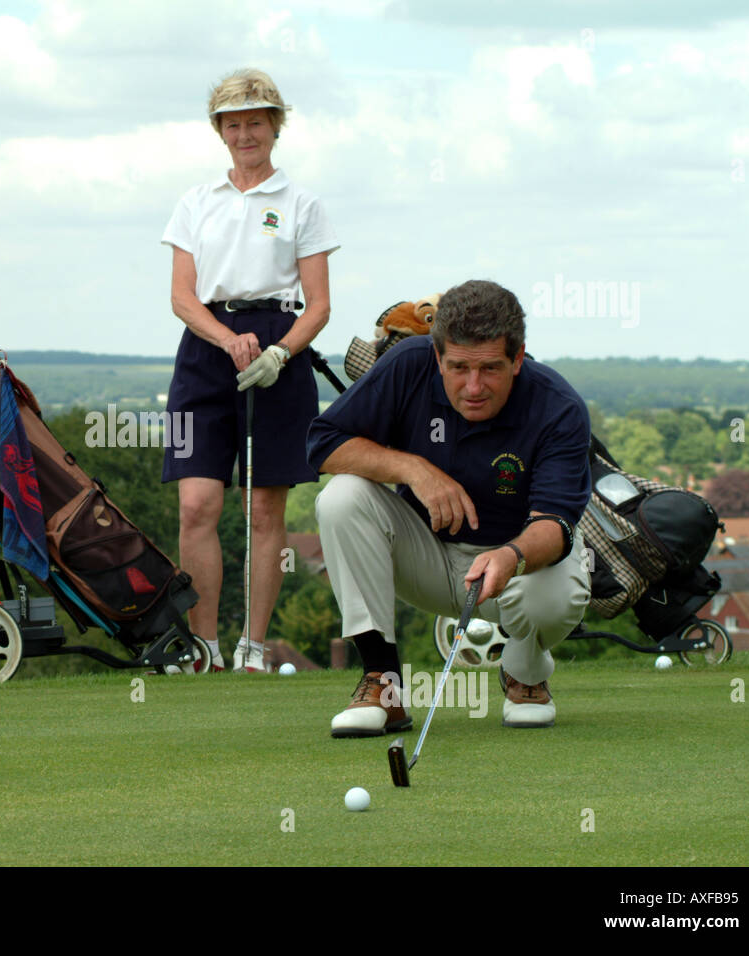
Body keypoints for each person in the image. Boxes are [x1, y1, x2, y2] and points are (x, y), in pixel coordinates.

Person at [308, 279, 591, 732]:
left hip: (516, 568)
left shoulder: (558, 407)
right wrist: (414, 469)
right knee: (341, 497)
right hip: (427, 557)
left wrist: (510, 555)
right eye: (458, 367)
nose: (473, 386)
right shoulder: (407, 364)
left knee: (555, 596)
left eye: (491, 369)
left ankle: (526, 674)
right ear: (436, 356)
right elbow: (323, 446)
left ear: (518, 359)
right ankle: (384, 684)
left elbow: (556, 524)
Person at [161, 69, 339, 672]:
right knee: (196, 505)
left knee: (264, 510)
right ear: (220, 131)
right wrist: (225, 338)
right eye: (233, 124)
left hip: (278, 349)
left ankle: (253, 648)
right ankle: (204, 646)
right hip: (205, 346)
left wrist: (279, 353)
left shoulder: (301, 204)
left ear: (274, 127)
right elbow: (183, 297)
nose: (245, 133)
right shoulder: (195, 201)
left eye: (256, 122)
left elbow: (319, 305)